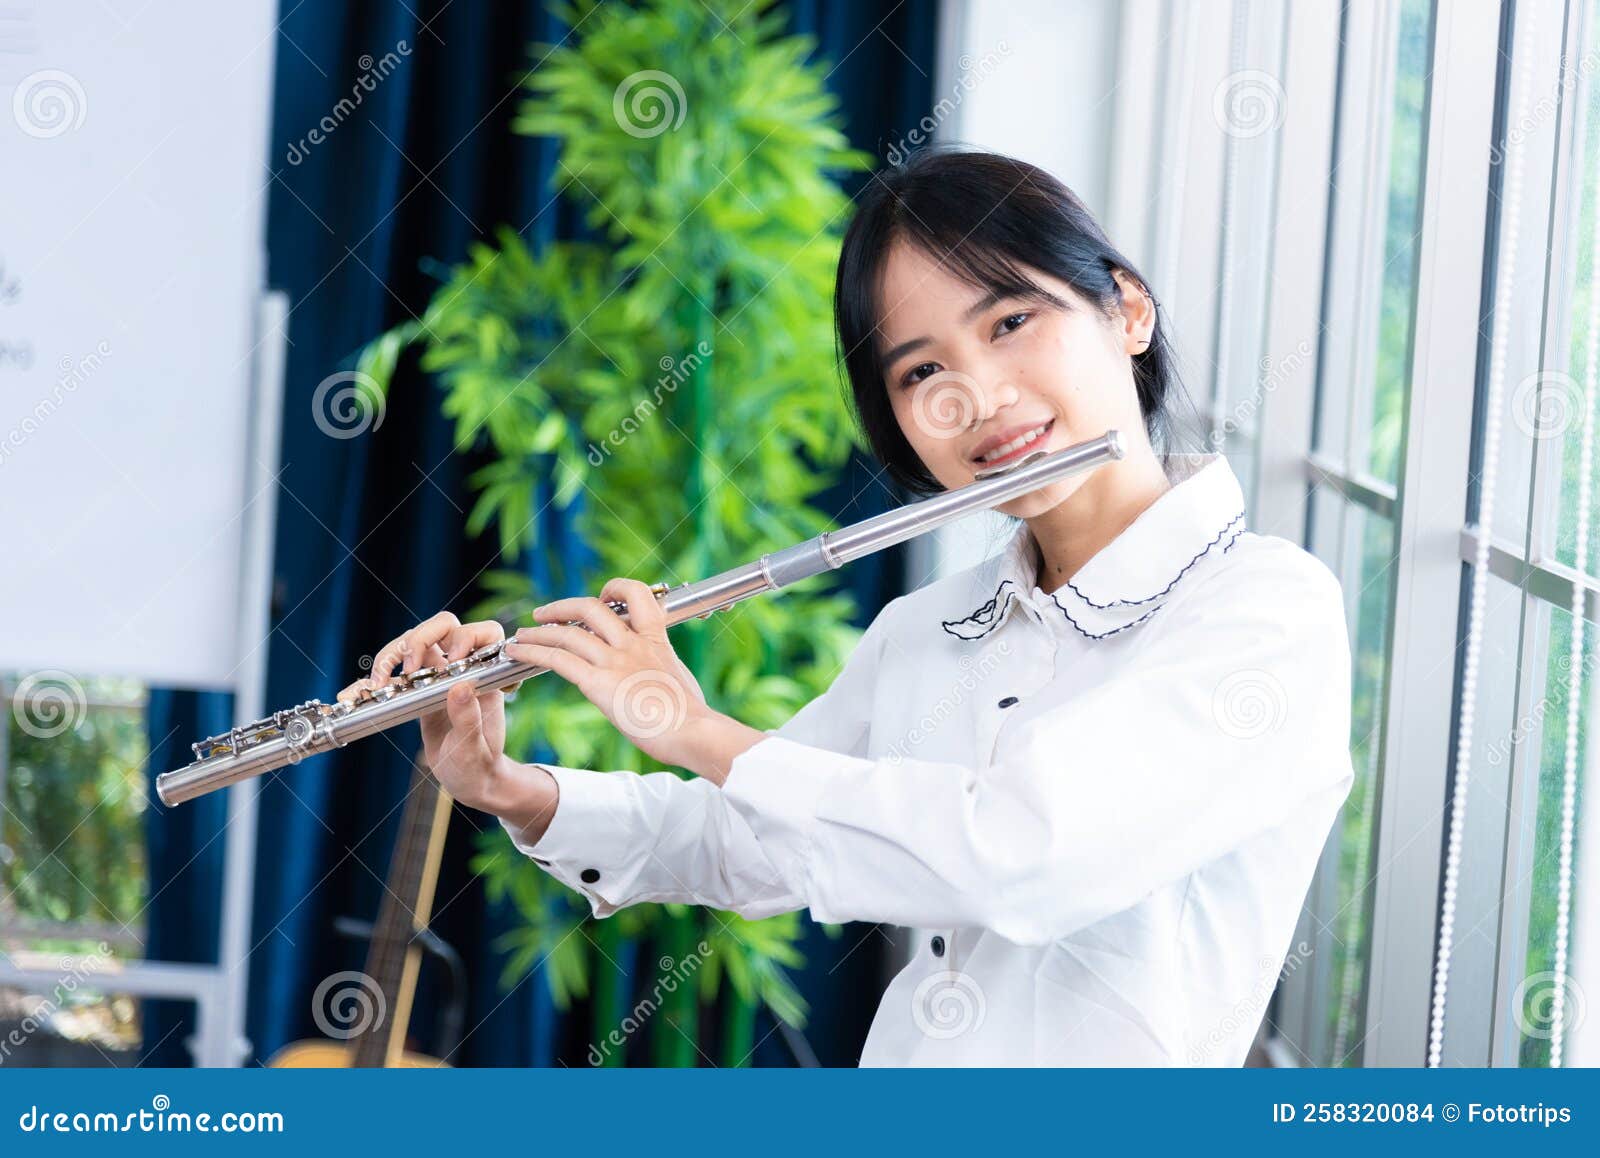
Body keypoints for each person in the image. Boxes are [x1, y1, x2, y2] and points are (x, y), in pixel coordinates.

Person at [340, 146, 1355, 1066]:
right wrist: (508, 786)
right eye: (921, 371)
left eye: (1009, 321)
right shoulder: (931, 629)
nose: (975, 397)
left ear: (1127, 311)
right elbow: (748, 839)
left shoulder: (1265, 611)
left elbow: (1019, 861)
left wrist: (688, 722)